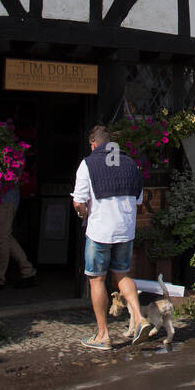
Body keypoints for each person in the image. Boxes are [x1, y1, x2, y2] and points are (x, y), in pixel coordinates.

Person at [72, 125, 147, 348]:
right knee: (122, 275)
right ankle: (140, 318)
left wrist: (82, 212)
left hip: (100, 231)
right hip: (125, 230)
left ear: (93, 144)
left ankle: (103, 335)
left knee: (97, 279)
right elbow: (139, 200)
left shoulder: (88, 164)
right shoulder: (131, 164)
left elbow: (78, 201)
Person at [0, 180, 36, 291]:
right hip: (5, 199)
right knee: (6, 237)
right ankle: (28, 272)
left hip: (4, 199)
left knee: (1, 240)